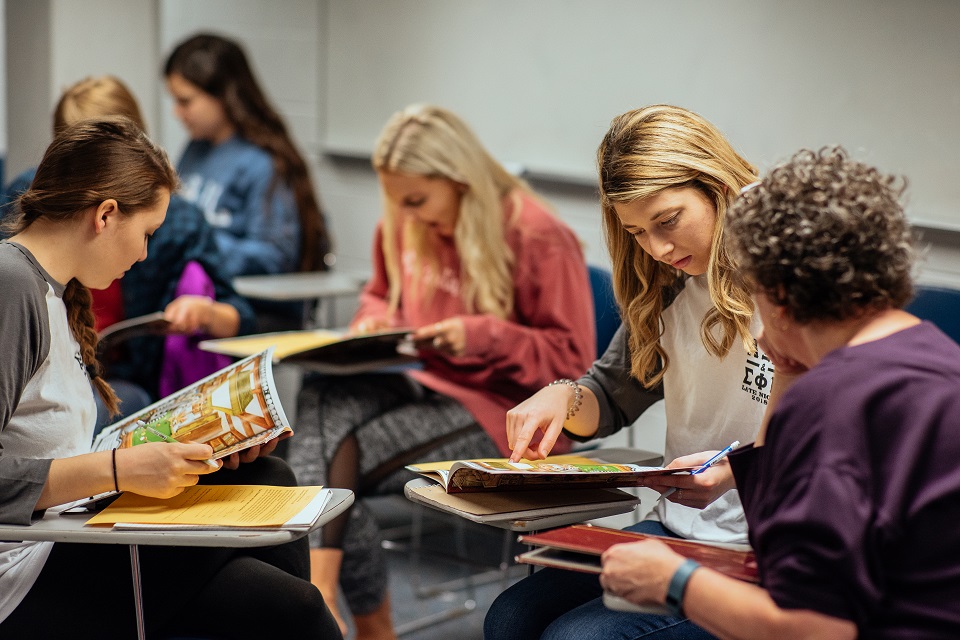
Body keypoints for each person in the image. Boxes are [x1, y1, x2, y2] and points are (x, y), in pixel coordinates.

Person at [598, 146, 960, 638]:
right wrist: (786, 375)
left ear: (783, 297)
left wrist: (676, 581)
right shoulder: (936, 352)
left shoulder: (830, 403)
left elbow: (813, 629)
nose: (762, 333)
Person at [0, 117, 341, 638]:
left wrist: (198, 445)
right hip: (26, 571)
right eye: (146, 235)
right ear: (106, 215)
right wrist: (118, 469)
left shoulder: (52, 287)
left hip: (65, 528)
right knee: (291, 607)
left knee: (272, 479)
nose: (142, 254)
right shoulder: (12, 286)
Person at [287, 104, 596, 639]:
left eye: (417, 199)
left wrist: (480, 334)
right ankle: (332, 608)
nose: (405, 215)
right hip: (423, 379)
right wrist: (372, 319)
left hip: (508, 410)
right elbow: (380, 293)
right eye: (397, 201)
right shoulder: (406, 220)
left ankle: (337, 612)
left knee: (330, 473)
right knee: (322, 398)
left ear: (460, 180)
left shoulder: (537, 235)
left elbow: (571, 369)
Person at [484, 104, 773, 640]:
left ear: (715, 184)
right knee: (510, 617)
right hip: (683, 529)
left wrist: (735, 472)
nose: (659, 248)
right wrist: (563, 395)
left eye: (668, 221)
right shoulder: (665, 281)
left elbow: (834, 437)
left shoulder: (785, 276)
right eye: (637, 232)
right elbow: (611, 398)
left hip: (769, 553)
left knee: (576, 639)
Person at [1, 75, 256, 430]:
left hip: (124, 379)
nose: (143, 255)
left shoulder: (178, 223)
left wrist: (204, 312)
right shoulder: (18, 280)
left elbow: (240, 315)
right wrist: (116, 469)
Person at [164, 32, 333, 329]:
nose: (177, 113)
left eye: (185, 101)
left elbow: (274, 258)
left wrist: (199, 243)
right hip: (196, 299)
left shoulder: (263, 163)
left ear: (222, 95)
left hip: (248, 312)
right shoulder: (195, 149)